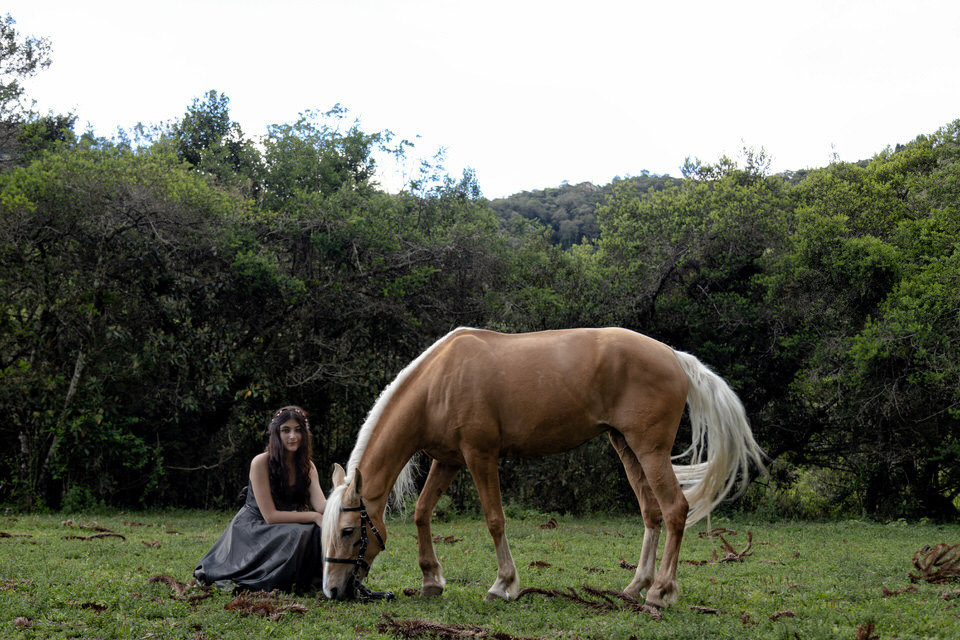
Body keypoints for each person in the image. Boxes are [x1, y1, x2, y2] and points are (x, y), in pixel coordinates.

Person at [194, 405, 327, 593]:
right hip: (255, 526)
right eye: (285, 430)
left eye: (298, 430)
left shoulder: (308, 467)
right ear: (276, 433)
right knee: (299, 532)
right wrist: (314, 517)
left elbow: (321, 505)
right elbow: (270, 516)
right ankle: (279, 580)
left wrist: (346, 500)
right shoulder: (260, 463)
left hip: (286, 523)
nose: (292, 436)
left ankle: (310, 580)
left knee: (314, 530)